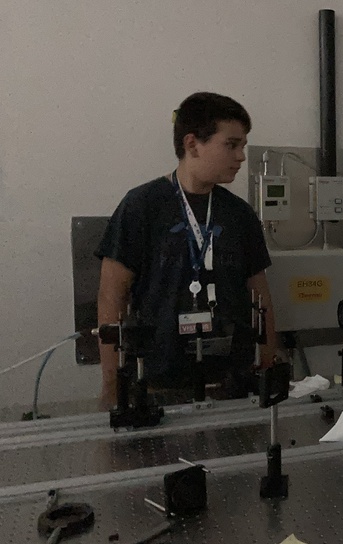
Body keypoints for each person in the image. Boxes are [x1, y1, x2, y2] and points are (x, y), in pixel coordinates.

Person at [96, 92, 277, 408]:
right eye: (231, 145)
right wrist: (113, 383)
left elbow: (260, 296)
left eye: (243, 146)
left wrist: (269, 361)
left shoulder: (240, 215)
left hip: (232, 385)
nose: (241, 156)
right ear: (192, 144)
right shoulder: (141, 207)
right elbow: (111, 297)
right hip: (156, 385)